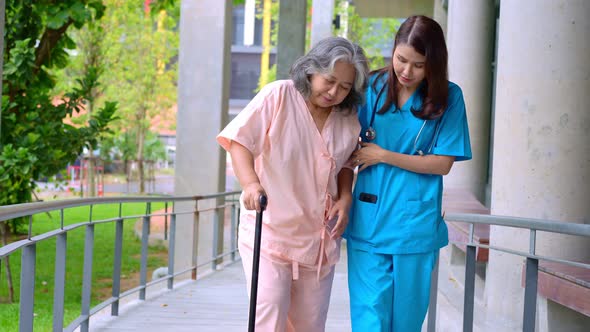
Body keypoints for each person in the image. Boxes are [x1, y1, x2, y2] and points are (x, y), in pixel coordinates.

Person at [217, 36, 369, 331]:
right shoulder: (278, 96)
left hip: (319, 239)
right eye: (329, 80)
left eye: (345, 87)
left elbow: (346, 162)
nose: (334, 92)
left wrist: (345, 197)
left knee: (309, 325)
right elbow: (240, 142)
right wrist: (249, 183)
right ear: (312, 69)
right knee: (269, 316)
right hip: (271, 232)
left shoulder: (347, 117)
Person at [345, 15, 472, 331]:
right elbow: (345, 145)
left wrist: (383, 155)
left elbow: (442, 163)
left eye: (418, 65)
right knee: (369, 319)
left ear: (434, 63)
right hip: (368, 221)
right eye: (401, 59)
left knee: (405, 322)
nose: (406, 71)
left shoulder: (449, 98)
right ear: (393, 51)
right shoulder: (371, 88)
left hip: (413, 224)